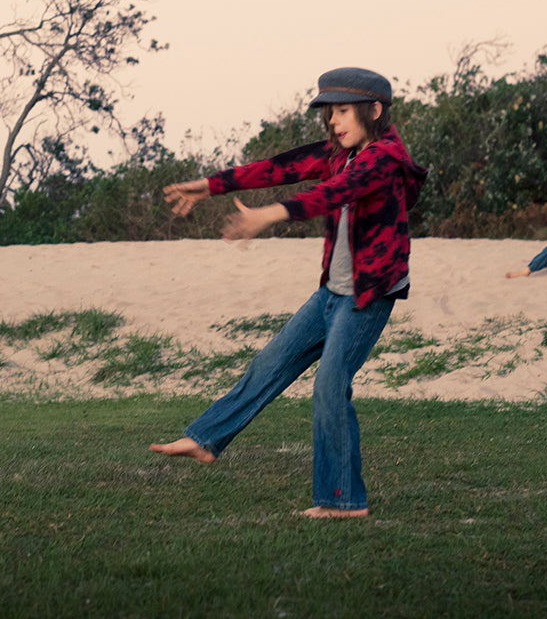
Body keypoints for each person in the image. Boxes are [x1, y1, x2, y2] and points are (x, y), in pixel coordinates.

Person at [150, 66, 427, 519]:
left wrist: (269, 216)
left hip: (367, 295)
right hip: (332, 293)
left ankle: (343, 502)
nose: (334, 122)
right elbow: (277, 168)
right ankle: (205, 439)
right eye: (329, 113)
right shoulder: (340, 152)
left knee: (330, 386)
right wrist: (210, 186)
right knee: (271, 363)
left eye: (342, 111)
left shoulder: (383, 159)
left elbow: (333, 194)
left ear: (373, 111)